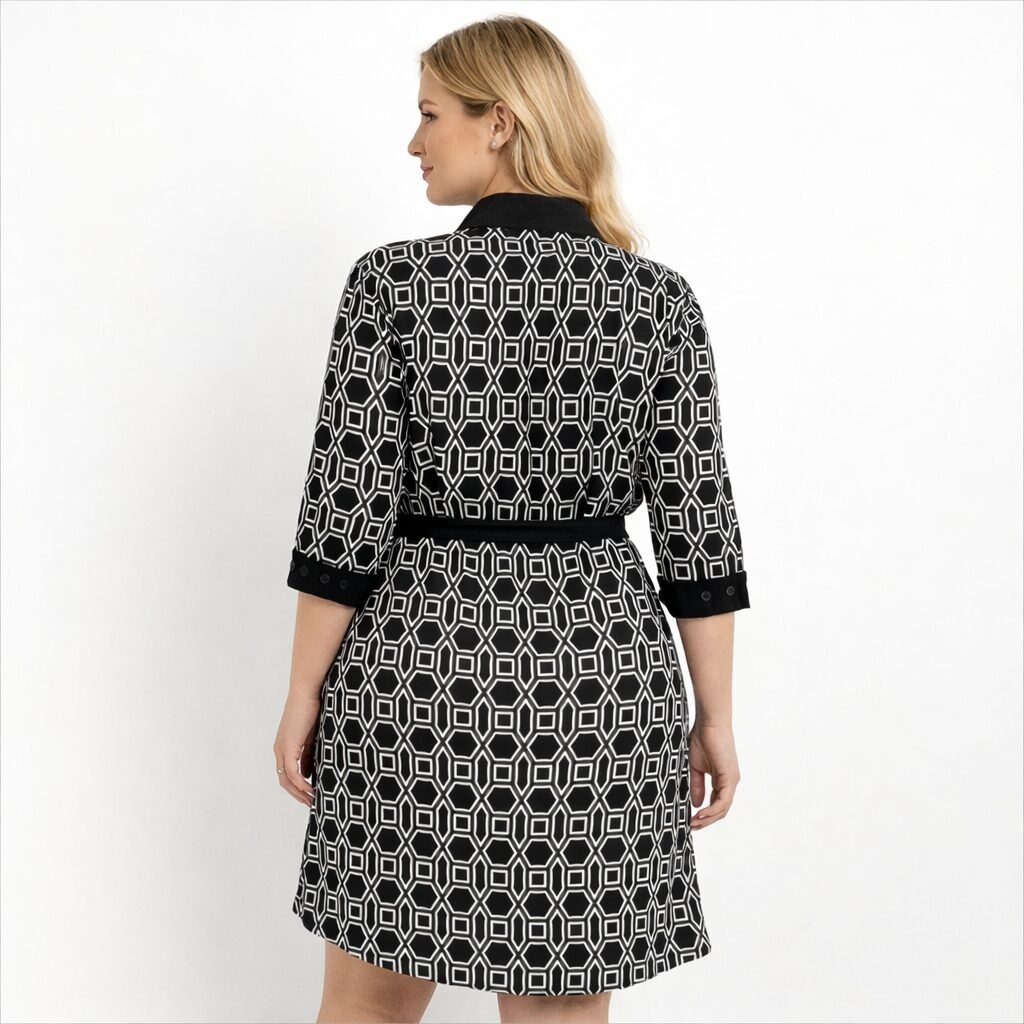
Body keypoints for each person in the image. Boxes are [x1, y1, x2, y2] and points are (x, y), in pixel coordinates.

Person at [273, 14, 751, 1024]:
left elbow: (345, 513)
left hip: (418, 673)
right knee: (560, 1008)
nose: (414, 141)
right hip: (596, 684)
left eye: (429, 114)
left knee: (368, 999)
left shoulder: (394, 286)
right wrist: (713, 716)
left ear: (499, 121)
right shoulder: (657, 303)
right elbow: (699, 536)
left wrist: (303, 692)